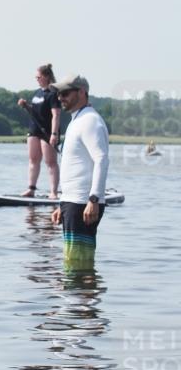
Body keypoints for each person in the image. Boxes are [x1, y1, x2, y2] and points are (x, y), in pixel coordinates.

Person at [49, 76, 109, 270]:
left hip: (83, 203)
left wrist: (93, 199)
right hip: (73, 202)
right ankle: (77, 290)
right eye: (59, 94)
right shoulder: (78, 120)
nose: (60, 98)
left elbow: (101, 159)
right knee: (72, 261)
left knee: (78, 263)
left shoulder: (90, 121)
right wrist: (63, 204)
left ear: (82, 92)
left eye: (65, 93)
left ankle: (81, 290)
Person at [17, 63, 61, 198]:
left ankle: (53, 192)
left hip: (47, 131)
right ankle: (31, 189)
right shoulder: (37, 93)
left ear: (46, 77)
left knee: (50, 162)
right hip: (34, 129)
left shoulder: (53, 93)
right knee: (33, 160)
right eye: (36, 77)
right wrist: (26, 106)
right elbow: (35, 112)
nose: (36, 79)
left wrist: (54, 134)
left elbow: (56, 115)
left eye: (38, 77)